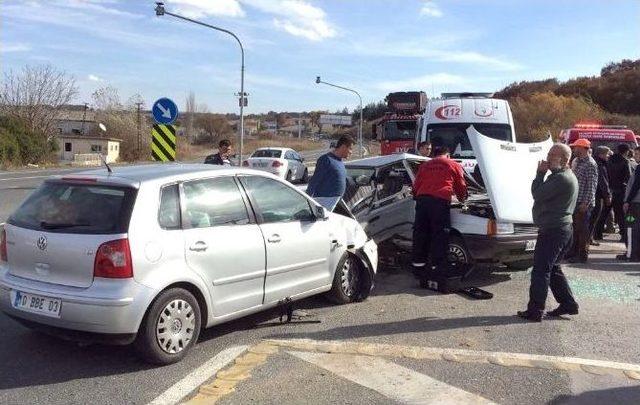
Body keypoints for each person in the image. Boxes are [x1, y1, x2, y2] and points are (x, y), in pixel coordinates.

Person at [518, 144, 579, 322]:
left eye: (553, 155)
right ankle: (568, 304)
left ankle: (535, 310)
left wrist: (539, 174)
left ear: (564, 159)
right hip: (561, 229)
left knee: (541, 270)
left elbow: (537, 194)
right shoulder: (562, 176)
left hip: (554, 230)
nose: (548, 158)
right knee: (552, 268)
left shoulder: (560, 178)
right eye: (549, 154)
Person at [411, 145, 467, 278]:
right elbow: (461, 185)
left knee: (420, 233)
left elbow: (416, 185)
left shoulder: (425, 165)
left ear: (434, 155)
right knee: (440, 234)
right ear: (447, 155)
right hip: (439, 201)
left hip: (422, 201)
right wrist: (462, 199)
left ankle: (418, 268)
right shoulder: (452, 164)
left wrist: (417, 196)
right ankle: (438, 267)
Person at [566, 139, 598, 263]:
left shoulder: (590, 164)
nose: (574, 149)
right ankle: (572, 252)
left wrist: (586, 202)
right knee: (574, 229)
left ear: (583, 148)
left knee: (582, 230)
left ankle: (582, 255)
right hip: (574, 201)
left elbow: (592, 185)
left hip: (583, 203)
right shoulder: (576, 161)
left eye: (576, 147)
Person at [306, 135, 354, 210]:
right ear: (343, 147)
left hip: (336, 202)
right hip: (324, 202)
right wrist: (306, 199)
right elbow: (314, 181)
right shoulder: (326, 160)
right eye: (350, 148)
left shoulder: (339, 162)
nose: (351, 152)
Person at [608, 143, 635, 243]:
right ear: (626, 151)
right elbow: (629, 177)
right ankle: (625, 235)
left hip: (611, 190)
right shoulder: (625, 161)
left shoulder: (609, 160)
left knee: (614, 213)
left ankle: (598, 233)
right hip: (622, 191)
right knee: (624, 215)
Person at [591, 146, 612, 244]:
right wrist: (607, 196)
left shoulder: (596, 162)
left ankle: (589, 237)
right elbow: (603, 182)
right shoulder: (600, 165)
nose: (608, 156)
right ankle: (589, 238)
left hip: (594, 194)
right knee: (593, 218)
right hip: (597, 195)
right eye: (607, 154)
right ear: (601, 154)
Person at [622, 162, 640, 261]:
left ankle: (632, 254)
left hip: (635, 203)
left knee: (631, 229)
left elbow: (636, 184)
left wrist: (627, 201)